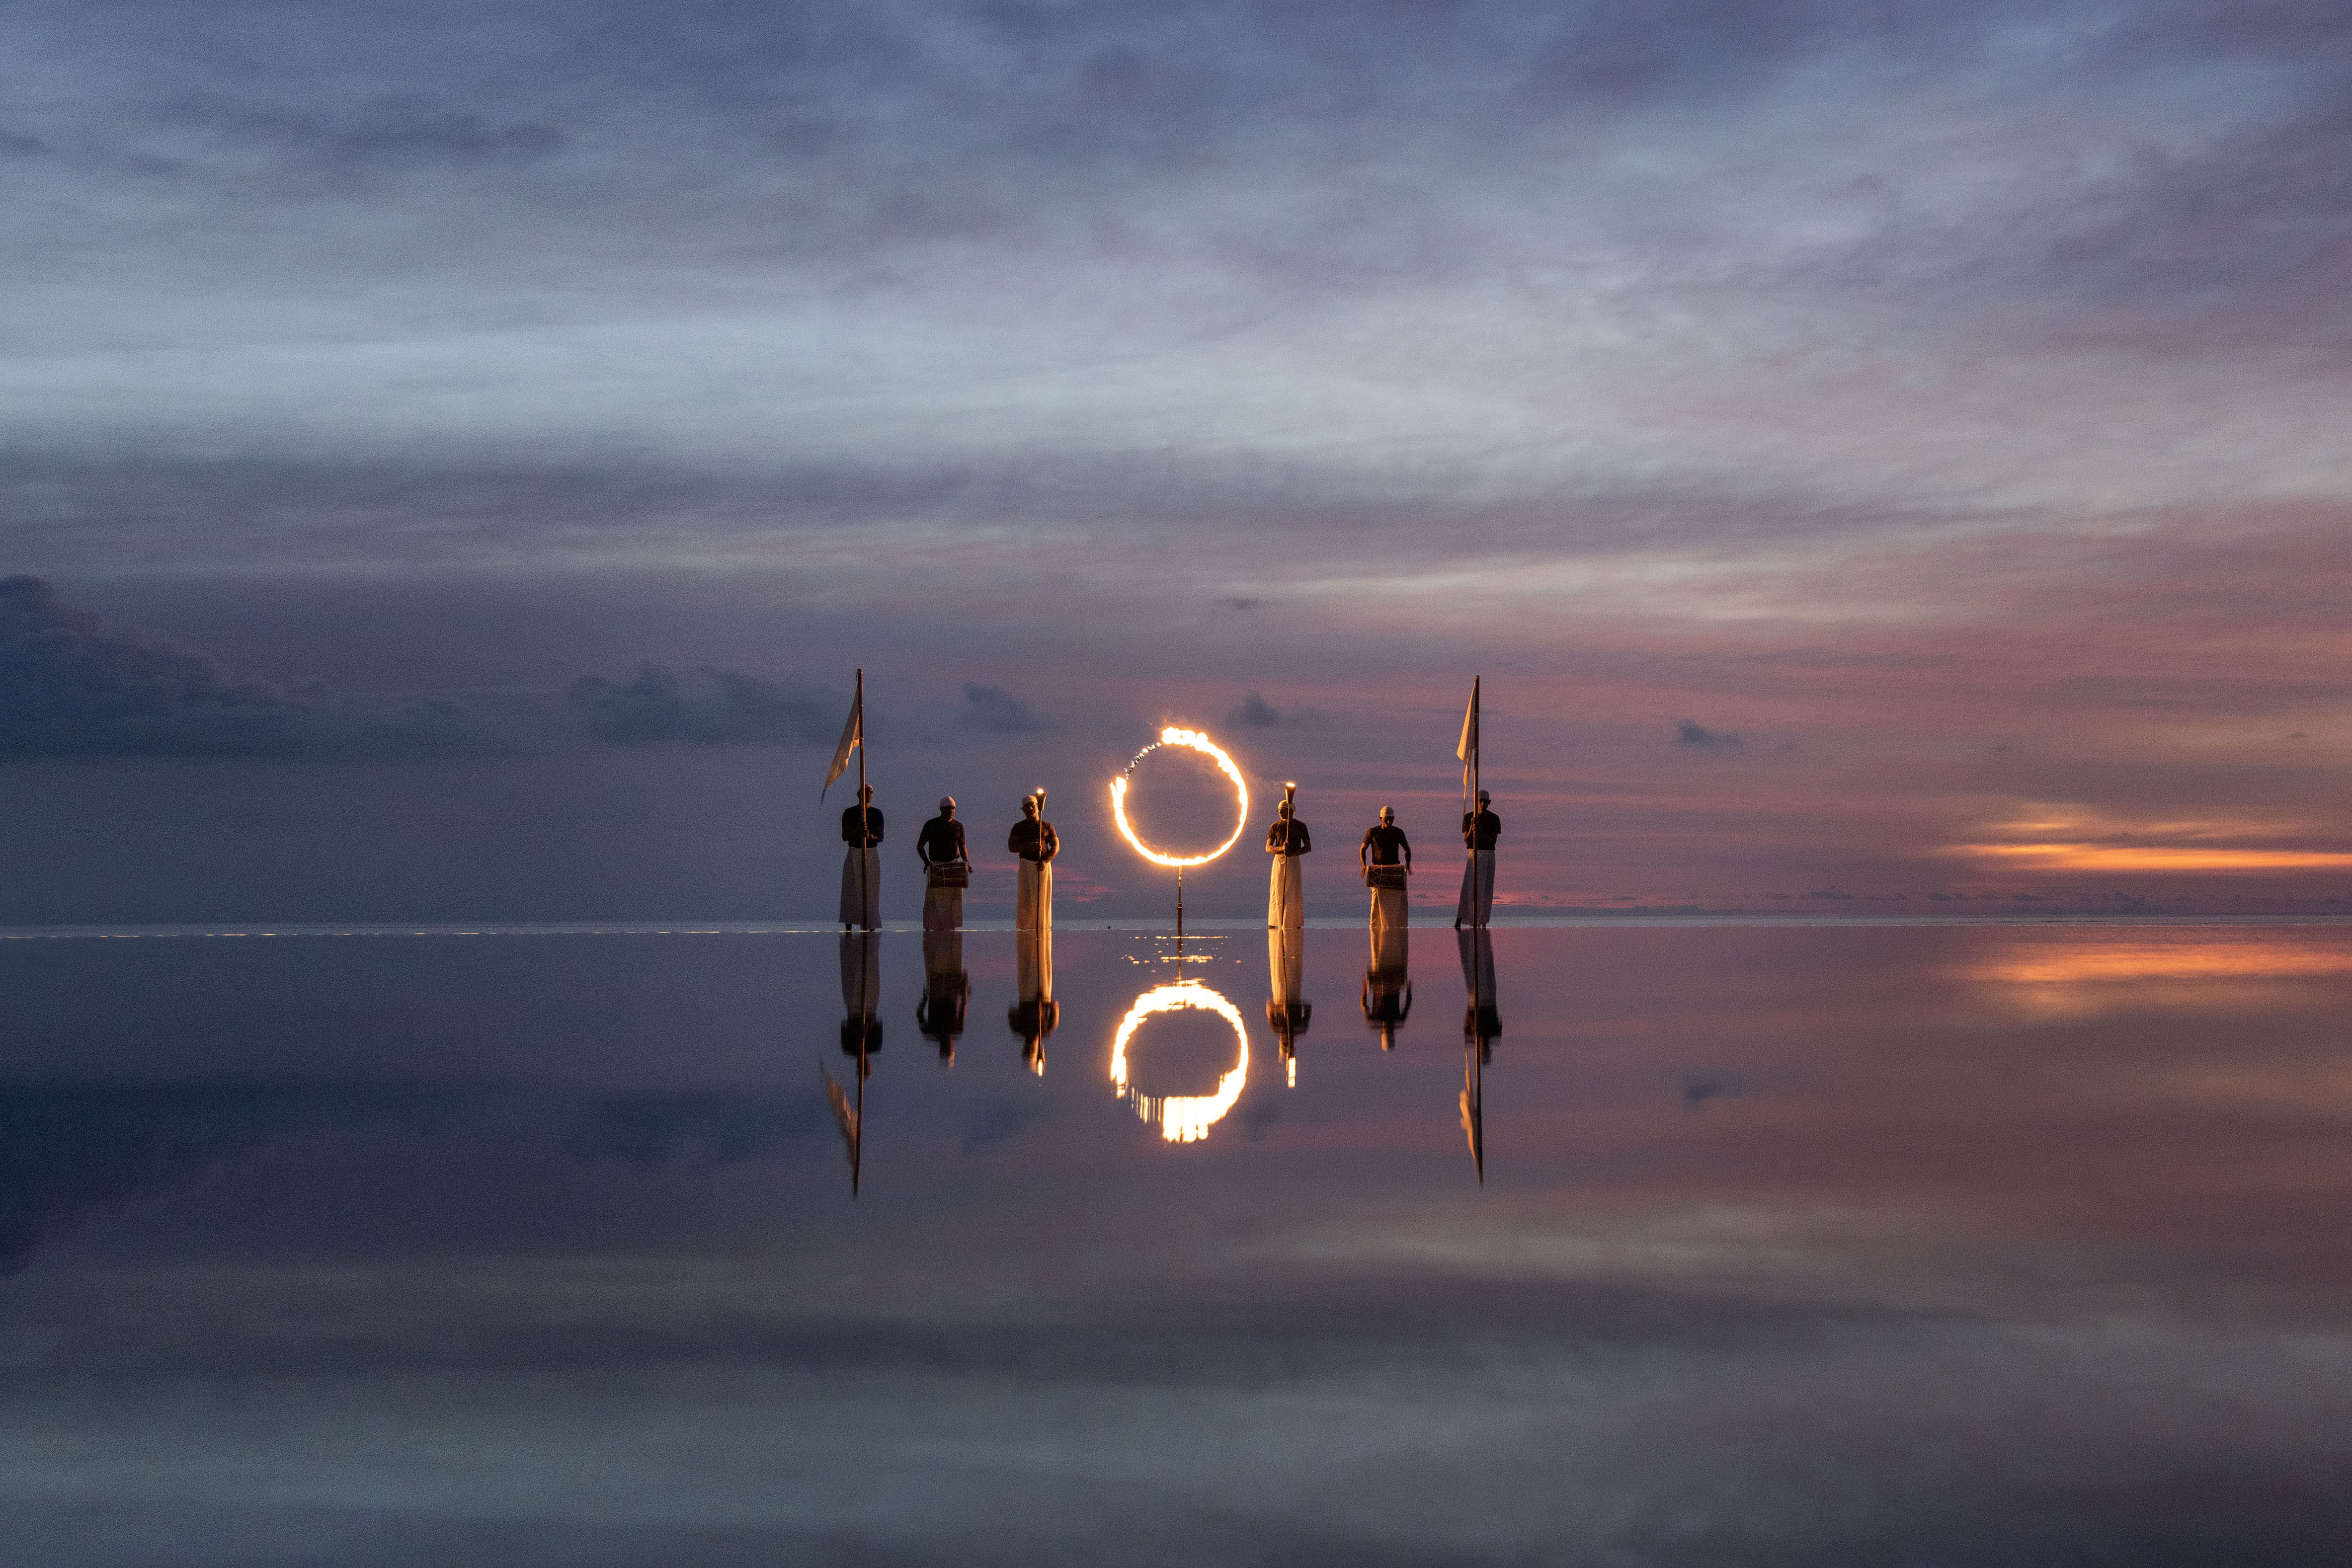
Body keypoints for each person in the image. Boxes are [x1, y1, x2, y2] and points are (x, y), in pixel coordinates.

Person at [916, 796, 969, 932]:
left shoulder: (959, 826)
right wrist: (928, 863)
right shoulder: (931, 824)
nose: (951, 811)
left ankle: (951, 929)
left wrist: (966, 863)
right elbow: (920, 846)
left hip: (954, 866)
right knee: (934, 900)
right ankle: (932, 928)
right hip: (936, 866)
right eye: (947, 809)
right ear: (941, 809)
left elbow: (962, 847)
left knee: (954, 900)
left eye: (953, 808)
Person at [1008, 793, 1058, 932]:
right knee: (1026, 897)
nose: (1030, 809)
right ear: (1023, 810)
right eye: (1027, 807)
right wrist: (1028, 847)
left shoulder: (1047, 826)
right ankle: (1027, 927)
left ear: (1037, 806)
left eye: (1032, 806)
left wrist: (1045, 861)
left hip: (1043, 866)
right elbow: (1012, 847)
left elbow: (1056, 847)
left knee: (1043, 898)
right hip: (1026, 865)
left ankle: (1042, 926)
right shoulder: (1018, 827)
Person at [1360, 805, 1411, 937]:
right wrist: (1364, 866)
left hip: (1395, 871)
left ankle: (1397, 931)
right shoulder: (1373, 832)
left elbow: (1407, 849)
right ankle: (1376, 932)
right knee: (1376, 904)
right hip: (1378, 872)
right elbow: (1362, 849)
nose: (1388, 822)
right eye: (1386, 819)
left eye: (1391, 819)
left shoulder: (1398, 832)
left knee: (1397, 904)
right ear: (1381, 818)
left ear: (1394, 818)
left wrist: (1408, 865)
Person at [1265, 789, 1311, 930]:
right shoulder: (1275, 826)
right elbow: (1268, 848)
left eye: (1283, 810)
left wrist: (1293, 852)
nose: (1280, 812)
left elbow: (1308, 847)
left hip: (1293, 861)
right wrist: (1281, 849)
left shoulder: (1301, 826)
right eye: (1279, 810)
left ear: (1290, 811)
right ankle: (1275, 922)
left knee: (1293, 891)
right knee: (1277, 891)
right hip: (1279, 861)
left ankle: (1294, 922)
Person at [838, 785, 883, 930]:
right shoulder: (850, 813)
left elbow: (880, 837)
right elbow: (845, 836)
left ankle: (871, 925)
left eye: (871, 792)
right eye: (866, 792)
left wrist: (870, 836)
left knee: (871, 891)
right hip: (854, 852)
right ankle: (849, 926)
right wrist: (857, 831)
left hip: (871, 854)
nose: (869, 795)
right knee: (851, 890)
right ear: (859, 795)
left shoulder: (877, 814)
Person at [1455, 789, 1501, 929]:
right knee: (1470, 888)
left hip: (1488, 855)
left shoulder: (1494, 818)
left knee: (1486, 888)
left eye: (1485, 802)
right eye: (1480, 801)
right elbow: (1467, 841)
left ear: (1489, 803)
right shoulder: (1469, 817)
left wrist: (1480, 832)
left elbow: (1492, 841)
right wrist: (1472, 829)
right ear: (1476, 802)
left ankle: (1483, 921)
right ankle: (1464, 920)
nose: (1482, 804)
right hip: (1474, 854)